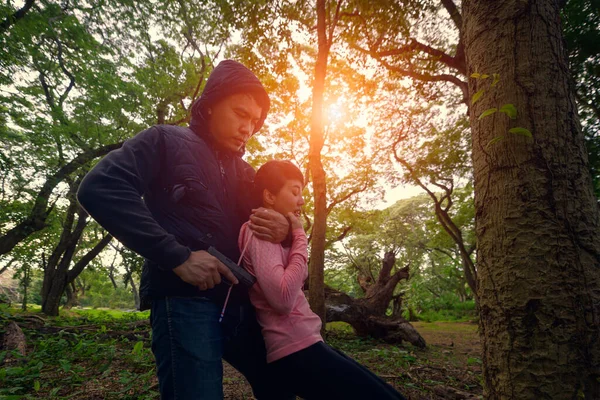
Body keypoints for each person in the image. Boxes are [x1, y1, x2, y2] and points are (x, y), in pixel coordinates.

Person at [77, 60, 294, 400]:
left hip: (242, 305)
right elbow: (100, 187)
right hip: (184, 303)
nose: (248, 128)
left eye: (255, 121)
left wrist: (287, 228)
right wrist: (177, 256)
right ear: (209, 105)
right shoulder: (165, 140)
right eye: (240, 113)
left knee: (282, 385)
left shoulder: (248, 173)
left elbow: (277, 221)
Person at [238, 160, 407, 400]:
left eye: (302, 193)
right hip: (294, 351)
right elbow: (283, 298)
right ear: (269, 195)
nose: (302, 200)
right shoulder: (260, 229)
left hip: (305, 344)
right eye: (295, 192)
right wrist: (299, 236)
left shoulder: (274, 232)